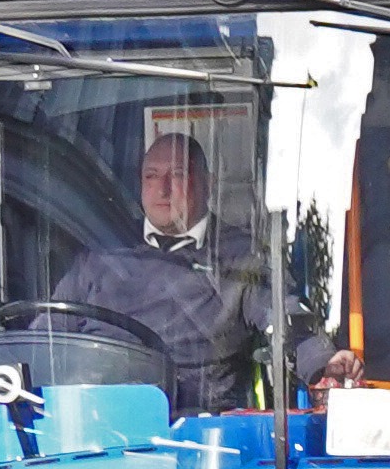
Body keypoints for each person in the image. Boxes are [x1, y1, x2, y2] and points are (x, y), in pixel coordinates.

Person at [48, 130, 268, 414]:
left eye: (177, 175)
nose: (162, 190)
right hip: (94, 422)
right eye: (151, 176)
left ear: (208, 184)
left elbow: (283, 318)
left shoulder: (240, 256)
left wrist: (323, 362)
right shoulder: (102, 253)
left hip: (196, 430)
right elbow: (47, 337)